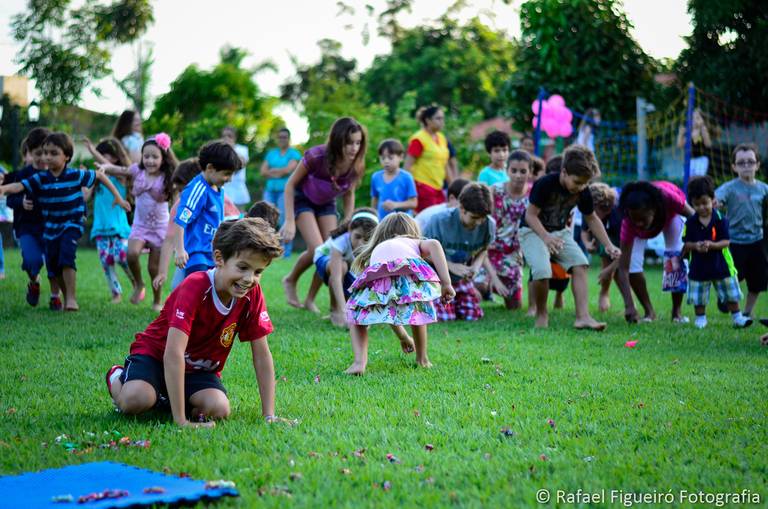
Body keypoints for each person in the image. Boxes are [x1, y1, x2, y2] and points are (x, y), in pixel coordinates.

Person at [105, 218, 291, 428]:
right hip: (156, 357)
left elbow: (262, 355)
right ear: (219, 258)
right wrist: (181, 421)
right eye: (242, 267)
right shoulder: (195, 286)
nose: (249, 279)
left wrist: (269, 415)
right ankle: (117, 377)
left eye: (258, 272)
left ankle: (166, 398)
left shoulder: (252, 294)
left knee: (218, 409)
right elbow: (173, 353)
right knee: (137, 400)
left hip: (197, 370)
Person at [0, 132, 131, 311]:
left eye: (53, 153)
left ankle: (71, 299)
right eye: (46, 153)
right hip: (50, 229)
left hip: (71, 224)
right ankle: (62, 294)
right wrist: (3, 189)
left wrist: (118, 198)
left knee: (67, 257)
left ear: (67, 156)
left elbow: (100, 176)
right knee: (54, 266)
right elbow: (20, 186)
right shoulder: (41, 178)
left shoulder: (75, 175)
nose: (47, 157)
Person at [520, 145, 620, 330]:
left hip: (559, 232)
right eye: (577, 182)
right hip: (532, 230)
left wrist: (608, 245)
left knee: (580, 263)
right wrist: (546, 237)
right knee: (542, 270)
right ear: (564, 172)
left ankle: (583, 317)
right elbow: (530, 215)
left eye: (585, 183)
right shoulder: (545, 184)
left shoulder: (583, 190)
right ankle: (541, 314)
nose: (581, 187)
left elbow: (592, 218)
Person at [344, 213, 455, 374]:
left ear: (382, 233)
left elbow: (390, 311)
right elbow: (435, 244)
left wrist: (403, 337)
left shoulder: (378, 247)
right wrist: (446, 283)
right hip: (406, 272)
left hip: (378, 277)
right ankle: (422, 359)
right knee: (417, 313)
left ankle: (359, 363)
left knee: (357, 318)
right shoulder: (413, 241)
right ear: (412, 231)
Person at [280, 117, 367, 310]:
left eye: (358, 143)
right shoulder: (316, 156)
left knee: (328, 250)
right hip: (302, 199)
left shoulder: (356, 164)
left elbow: (349, 193)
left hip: (327, 203)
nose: (354, 148)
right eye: (349, 142)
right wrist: (289, 220)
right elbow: (290, 185)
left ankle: (310, 299)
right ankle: (290, 279)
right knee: (316, 248)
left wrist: (348, 220)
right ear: (337, 140)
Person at [99, 133, 178, 311]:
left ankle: (157, 300)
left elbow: (178, 194)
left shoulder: (167, 176)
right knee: (131, 253)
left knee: (153, 268)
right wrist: (105, 167)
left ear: (163, 158)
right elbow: (120, 170)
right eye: (146, 156)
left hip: (160, 228)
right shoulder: (137, 171)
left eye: (155, 157)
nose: (150, 160)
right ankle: (139, 284)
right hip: (140, 226)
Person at [615, 181, 694, 323]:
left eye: (642, 219)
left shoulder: (669, 198)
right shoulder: (629, 223)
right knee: (633, 265)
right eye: (635, 219)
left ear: (653, 209)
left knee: (675, 258)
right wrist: (629, 306)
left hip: (671, 216)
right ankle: (649, 312)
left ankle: (676, 313)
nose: (638, 223)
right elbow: (623, 268)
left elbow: (694, 217)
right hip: (641, 232)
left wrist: (694, 241)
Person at [2, 127, 63, 308]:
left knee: (54, 262)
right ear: (29, 152)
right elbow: (9, 199)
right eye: (38, 154)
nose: (43, 158)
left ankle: (55, 296)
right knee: (31, 261)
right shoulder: (21, 175)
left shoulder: (56, 174)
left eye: (47, 153)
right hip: (26, 228)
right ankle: (34, 282)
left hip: (51, 227)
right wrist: (20, 201)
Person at [683, 176, 752, 329]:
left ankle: (737, 317)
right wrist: (696, 246)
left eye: (705, 203)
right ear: (692, 203)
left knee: (730, 293)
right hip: (699, 266)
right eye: (697, 204)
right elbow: (686, 243)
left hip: (721, 265)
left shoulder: (721, 220)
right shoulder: (690, 223)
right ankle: (700, 319)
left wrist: (711, 245)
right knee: (698, 294)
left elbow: (726, 241)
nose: (701, 207)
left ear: (713, 200)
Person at [423, 183, 495, 321]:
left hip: (460, 279)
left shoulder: (488, 225)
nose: (479, 223)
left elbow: (484, 249)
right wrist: (450, 265)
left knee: (472, 316)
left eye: (483, 218)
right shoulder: (439, 221)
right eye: (474, 217)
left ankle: (457, 300)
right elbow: (422, 253)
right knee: (445, 317)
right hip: (436, 279)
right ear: (461, 208)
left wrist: (475, 267)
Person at [714, 143, 768, 319]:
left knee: (758, 280)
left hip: (757, 240)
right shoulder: (729, 188)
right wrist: (716, 203)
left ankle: (747, 312)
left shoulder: (764, 189)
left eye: (750, 162)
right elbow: (716, 199)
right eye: (741, 162)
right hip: (734, 241)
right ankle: (726, 298)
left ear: (757, 165)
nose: (746, 166)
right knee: (733, 276)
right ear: (734, 167)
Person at [172, 141, 240, 279]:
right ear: (210, 168)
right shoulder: (198, 189)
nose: (230, 179)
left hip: (213, 254)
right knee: (199, 289)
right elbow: (181, 220)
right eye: (227, 174)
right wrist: (180, 250)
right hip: (197, 256)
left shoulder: (219, 189)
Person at [83, 138, 135, 303]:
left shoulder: (121, 177)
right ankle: (116, 294)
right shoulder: (98, 179)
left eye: (106, 155)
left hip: (118, 226)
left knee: (121, 256)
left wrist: (93, 152)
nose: (103, 158)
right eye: (101, 154)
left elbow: (108, 167)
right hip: (100, 227)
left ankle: (136, 282)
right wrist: (84, 180)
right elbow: (85, 197)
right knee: (106, 262)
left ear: (115, 158)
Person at [310, 208, 379, 327]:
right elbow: (336, 278)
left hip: (348, 266)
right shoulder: (340, 241)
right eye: (357, 236)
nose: (361, 243)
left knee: (353, 288)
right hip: (324, 259)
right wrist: (344, 312)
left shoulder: (375, 247)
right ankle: (335, 311)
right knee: (341, 267)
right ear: (350, 229)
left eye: (366, 239)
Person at [484, 150, 530, 309]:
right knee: (479, 288)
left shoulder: (533, 195)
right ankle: (484, 290)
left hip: (513, 254)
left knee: (514, 305)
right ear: (507, 170)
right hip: (489, 250)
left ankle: (500, 289)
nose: (518, 175)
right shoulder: (495, 191)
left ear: (529, 172)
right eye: (514, 170)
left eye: (523, 171)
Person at [261, 128, 302, 257]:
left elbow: (289, 170)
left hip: (285, 192)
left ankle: (286, 252)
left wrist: (273, 171)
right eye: (280, 137)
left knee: (285, 219)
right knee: (266, 219)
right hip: (270, 190)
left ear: (289, 138)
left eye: (284, 137)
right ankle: (266, 249)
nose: (282, 139)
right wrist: (280, 172)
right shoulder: (271, 153)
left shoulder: (294, 153)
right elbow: (263, 171)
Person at [580, 183, 621, 312]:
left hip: (622, 240)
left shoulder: (618, 217)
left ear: (606, 207)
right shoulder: (589, 210)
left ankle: (628, 303)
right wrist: (587, 244)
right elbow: (584, 231)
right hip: (607, 238)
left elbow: (627, 252)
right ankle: (604, 293)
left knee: (622, 272)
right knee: (606, 257)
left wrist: (609, 270)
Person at [405, 106, 451, 212]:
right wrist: (409, 191)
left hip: (438, 187)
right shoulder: (419, 139)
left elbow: (445, 163)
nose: (442, 122)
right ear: (428, 120)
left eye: (442, 118)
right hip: (423, 187)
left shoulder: (441, 138)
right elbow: (407, 166)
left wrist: (452, 185)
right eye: (438, 118)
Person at [370, 139, 417, 219]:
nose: (386, 161)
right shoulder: (376, 177)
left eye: (390, 158)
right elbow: (375, 199)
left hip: (402, 221)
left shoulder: (406, 177)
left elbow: (413, 203)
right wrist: (373, 216)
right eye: (383, 158)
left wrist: (395, 205)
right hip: (383, 221)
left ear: (401, 157)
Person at [220, 126, 251, 210]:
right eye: (224, 136)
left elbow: (240, 165)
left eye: (229, 136)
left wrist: (231, 148)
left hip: (238, 189)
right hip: (223, 188)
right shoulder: (219, 150)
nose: (226, 138)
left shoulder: (242, 149)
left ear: (235, 137)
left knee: (239, 216)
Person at [677, 108, 712, 178]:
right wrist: (680, 134)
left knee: (698, 178)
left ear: (702, 120)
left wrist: (702, 128)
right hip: (689, 159)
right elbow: (680, 145)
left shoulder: (703, 130)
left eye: (697, 118)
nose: (694, 120)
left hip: (701, 159)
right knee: (687, 178)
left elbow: (708, 144)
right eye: (692, 118)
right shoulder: (688, 132)